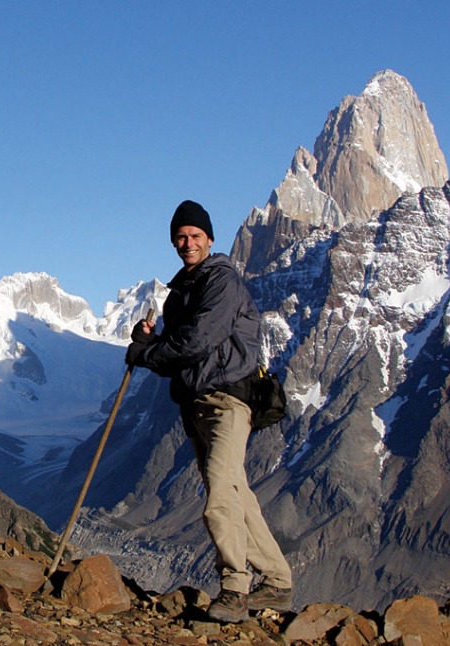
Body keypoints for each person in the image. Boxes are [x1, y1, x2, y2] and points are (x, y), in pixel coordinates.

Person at [125, 199, 293, 623]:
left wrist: (147, 355)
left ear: (209, 239)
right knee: (236, 493)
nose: (187, 243)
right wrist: (148, 340)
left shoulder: (221, 282)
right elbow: (180, 346)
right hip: (197, 403)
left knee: (219, 494)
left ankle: (235, 588)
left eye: (195, 236)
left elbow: (198, 341)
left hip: (227, 402)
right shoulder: (183, 288)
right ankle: (276, 581)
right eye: (180, 237)